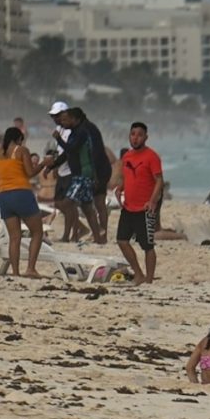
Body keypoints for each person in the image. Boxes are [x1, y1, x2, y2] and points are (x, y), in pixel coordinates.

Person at [0, 124, 46, 277]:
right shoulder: (21, 151)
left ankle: (16, 272)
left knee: (14, 237)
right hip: (22, 194)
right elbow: (30, 173)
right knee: (37, 232)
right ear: (18, 139)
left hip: (4, 196)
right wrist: (44, 163)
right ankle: (30, 269)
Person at [104, 120, 163, 284]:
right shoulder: (127, 156)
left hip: (145, 208)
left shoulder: (152, 157)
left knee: (147, 246)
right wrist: (120, 188)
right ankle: (138, 274)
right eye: (133, 134)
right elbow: (128, 176)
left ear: (146, 137)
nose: (135, 138)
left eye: (139, 135)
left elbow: (159, 180)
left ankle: (149, 280)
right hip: (128, 206)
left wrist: (152, 201)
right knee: (122, 241)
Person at [51, 103, 109, 245]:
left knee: (68, 202)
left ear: (75, 119)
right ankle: (98, 237)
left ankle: (74, 235)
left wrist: (59, 139)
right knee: (87, 207)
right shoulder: (74, 132)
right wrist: (53, 165)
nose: (62, 123)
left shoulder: (83, 132)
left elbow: (75, 149)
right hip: (81, 173)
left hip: (85, 173)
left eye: (65, 120)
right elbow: (68, 153)